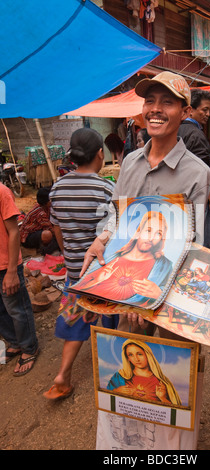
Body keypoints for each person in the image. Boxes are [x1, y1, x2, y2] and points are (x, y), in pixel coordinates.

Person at [81, 71, 210, 450]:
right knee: (129, 367)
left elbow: (194, 243)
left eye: (167, 102)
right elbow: (119, 216)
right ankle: (132, 443)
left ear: (184, 112)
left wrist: (154, 296)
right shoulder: (131, 163)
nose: (155, 109)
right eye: (150, 101)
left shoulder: (196, 172)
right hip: (129, 288)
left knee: (172, 369)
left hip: (166, 291)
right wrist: (102, 239)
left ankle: (174, 446)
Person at [43, 128, 115, 401]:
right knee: (108, 321)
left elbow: (58, 229)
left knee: (75, 322)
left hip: (75, 270)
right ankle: (112, 375)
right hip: (103, 272)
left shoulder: (57, 189)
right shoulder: (106, 187)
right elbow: (114, 230)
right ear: (100, 154)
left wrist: (68, 254)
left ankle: (63, 375)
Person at [77, 211, 172, 307]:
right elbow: (81, 289)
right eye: (148, 230)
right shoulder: (112, 258)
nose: (151, 238)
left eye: (158, 234)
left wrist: (158, 295)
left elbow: (175, 295)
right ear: (139, 231)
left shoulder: (163, 267)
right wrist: (96, 280)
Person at [0, 183, 39, 376]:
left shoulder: (2, 192)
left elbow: (14, 231)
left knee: (17, 308)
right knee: (1, 310)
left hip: (6, 265)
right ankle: (14, 342)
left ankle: (29, 347)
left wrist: (12, 271)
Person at [178, 89, 210, 250]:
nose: (208, 114)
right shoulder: (195, 135)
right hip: (201, 199)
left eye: (209, 110)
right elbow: (200, 173)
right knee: (206, 245)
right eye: (204, 109)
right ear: (191, 110)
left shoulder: (178, 130)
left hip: (186, 197)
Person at [107, 339, 181, 405]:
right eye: (131, 355)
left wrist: (163, 398)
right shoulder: (120, 377)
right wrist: (116, 391)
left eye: (139, 354)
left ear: (148, 355)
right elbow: (105, 399)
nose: (136, 359)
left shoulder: (162, 382)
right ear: (127, 358)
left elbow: (175, 413)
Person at [20, 187, 59, 255]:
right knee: (48, 235)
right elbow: (51, 229)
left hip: (36, 231)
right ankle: (43, 250)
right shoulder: (41, 213)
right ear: (46, 202)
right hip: (27, 238)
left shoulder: (45, 207)